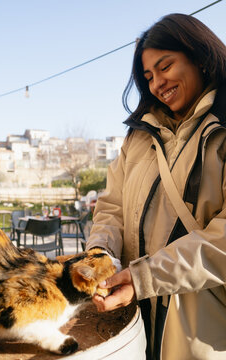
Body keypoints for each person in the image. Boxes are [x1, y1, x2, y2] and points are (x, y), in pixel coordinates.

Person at [86, 13, 226, 360]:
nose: (157, 83)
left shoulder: (221, 129)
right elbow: (112, 207)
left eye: (166, 66)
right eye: (148, 76)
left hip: (201, 332)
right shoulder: (138, 137)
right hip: (130, 322)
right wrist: (100, 255)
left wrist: (144, 277)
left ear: (200, 57)